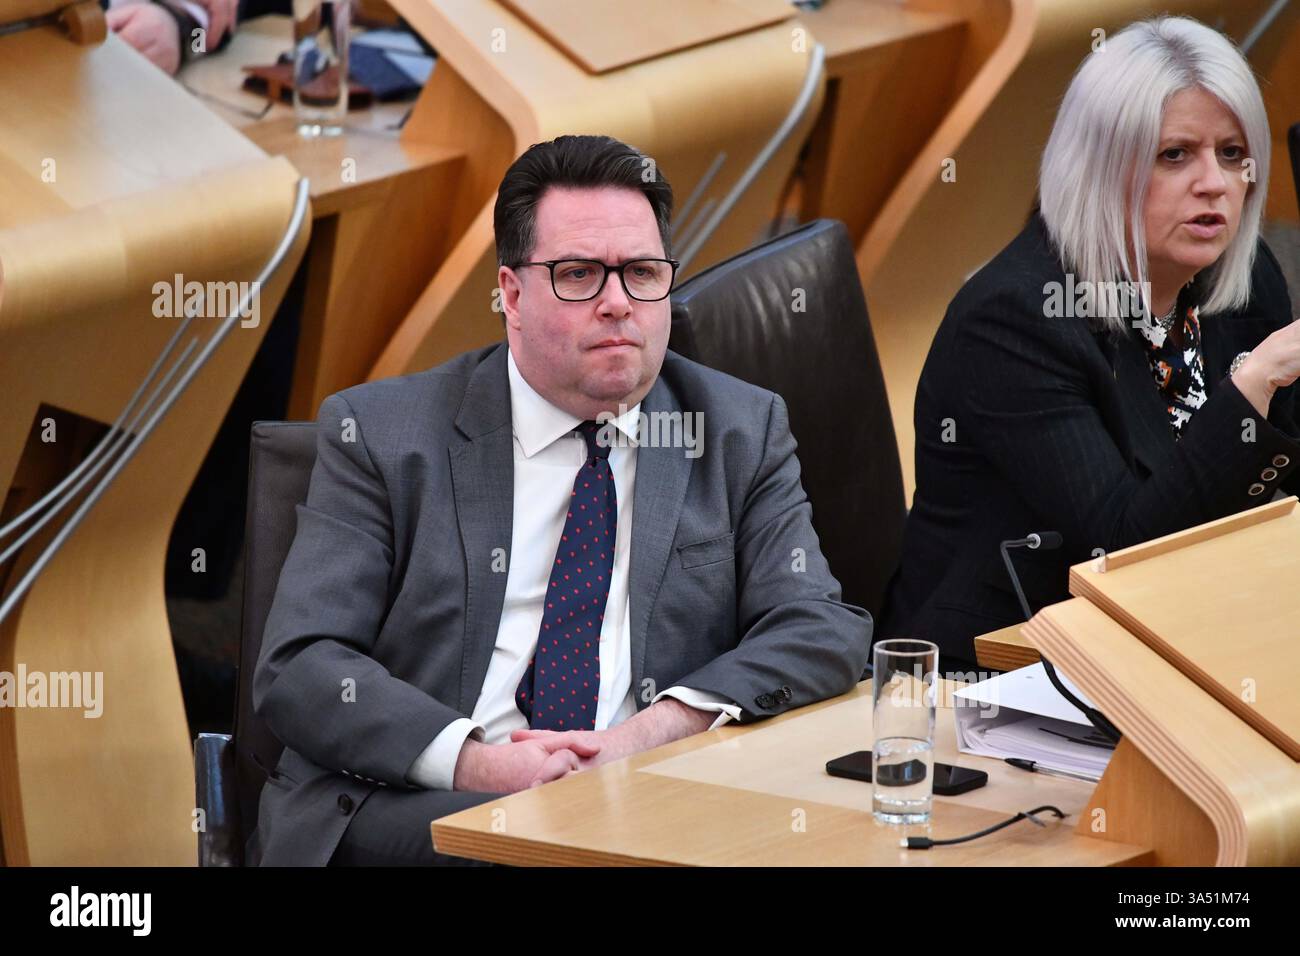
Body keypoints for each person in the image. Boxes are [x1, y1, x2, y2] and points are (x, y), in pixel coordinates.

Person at [249, 134, 871, 866]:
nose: (617, 304)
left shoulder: (736, 428)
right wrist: (481, 764)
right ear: (511, 295)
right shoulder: (382, 435)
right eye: (578, 275)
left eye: (642, 272)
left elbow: (819, 626)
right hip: (423, 810)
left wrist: (643, 738)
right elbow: (302, 665)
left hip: (646, 801)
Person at [880, 16, 1300, 672]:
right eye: (1175, 154)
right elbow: (1121, 547)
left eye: (1231, 154)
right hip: (996, 672)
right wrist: (1254, 386)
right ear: (1100, 167)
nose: (1214, 183)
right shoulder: (1015, 320)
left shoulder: (1237, 282)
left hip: (1177, 638)